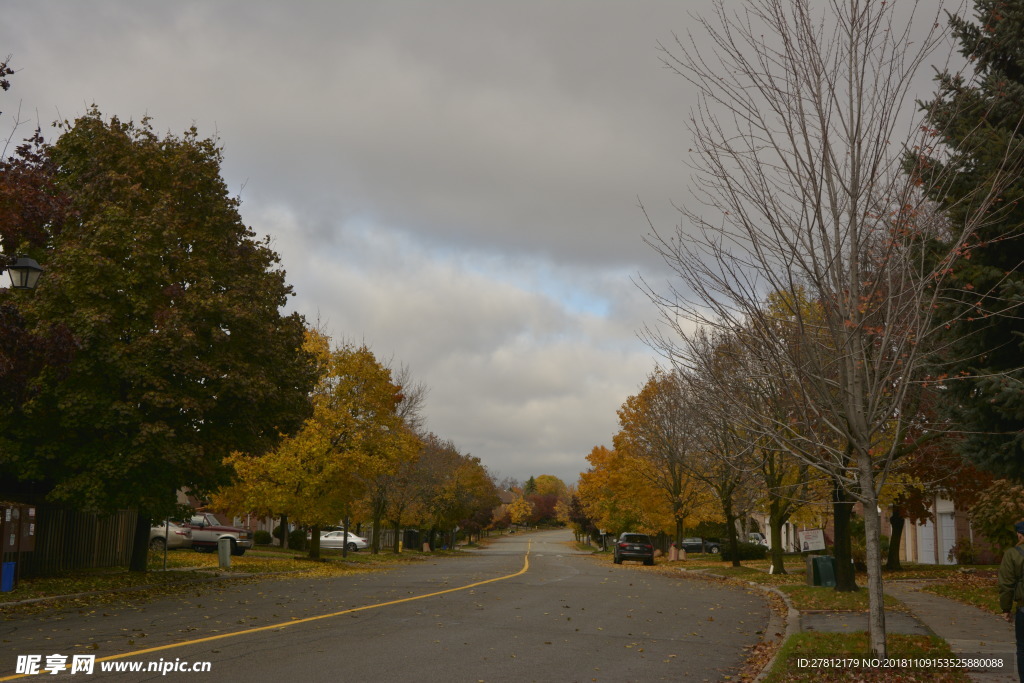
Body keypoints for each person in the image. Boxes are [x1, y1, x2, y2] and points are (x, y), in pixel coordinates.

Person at [998, 520, 1024, 681]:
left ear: (1020, 534)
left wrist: (1006, 609)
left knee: (1022, 648)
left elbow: (1007, 585)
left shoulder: (1013, 554)